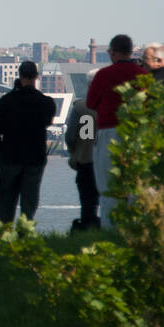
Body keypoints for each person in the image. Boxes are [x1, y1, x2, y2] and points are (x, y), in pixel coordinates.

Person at [85, 34, 151, 226]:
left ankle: (110, 232)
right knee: (136, 187)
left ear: (113, 52)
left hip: (109, 132)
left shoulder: (103, 75)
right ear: (130, 51)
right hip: (137, 134)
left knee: (108, 188)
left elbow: (90, 103)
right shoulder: (144, 76)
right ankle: (136, 229)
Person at [0, 60, 57, 223]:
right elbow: (47, 122)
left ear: (19, 75)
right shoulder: (46, 102)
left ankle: (4, 238)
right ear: (36, 77)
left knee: (4, 202)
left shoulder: (6, 101)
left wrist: (2, 153)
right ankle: (24, 238)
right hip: (35, 159)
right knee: (29, 204)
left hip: (10, 159)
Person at [64, 93, 99, 230]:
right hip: (108, 160)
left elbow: (71, 136)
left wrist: (75, 152)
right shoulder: (114, 105)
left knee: (87, 201)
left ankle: (86, 226)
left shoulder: (81, 108)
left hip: (85, 160)